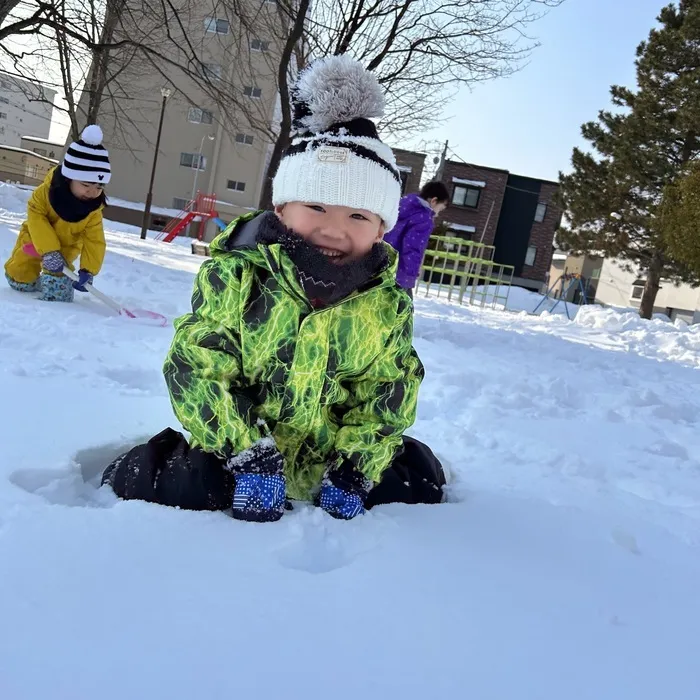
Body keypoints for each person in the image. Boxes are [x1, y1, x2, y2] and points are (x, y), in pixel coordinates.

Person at [101, 55, 446, 522]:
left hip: (327, 459)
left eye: (358, 216)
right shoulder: (240, 275)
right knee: (183, 482)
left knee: (420, 478)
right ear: (282, 209)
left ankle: (353, 475)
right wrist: (248, 453)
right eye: (317, 207)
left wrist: (354, 469)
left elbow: (388, 391)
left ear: (382, 228)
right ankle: (136, 470)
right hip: (239, 455)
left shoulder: (384, 305)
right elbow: (197, 367)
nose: (334, 228)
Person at [4, 124, 110, 303]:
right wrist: (48, 250)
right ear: (69, 178)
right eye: (86, 185)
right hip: (35, 238)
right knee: (20, 278)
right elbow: (36, 217)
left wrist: (88, 270)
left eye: (99, 187)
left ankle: (53, 302)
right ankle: (28, 279)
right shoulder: (46, 193)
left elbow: (95, 240)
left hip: (67, 246)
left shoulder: (93, 209)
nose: (93, 192)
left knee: (59, 293)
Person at [383, 181, 450, 297]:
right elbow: (412, 248)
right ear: (433, 201)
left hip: (381, 263)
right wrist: (409, 277)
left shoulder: (401, 205)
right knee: (404, 310)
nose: (438, 214)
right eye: (440, 208)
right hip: (400, 271)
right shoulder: (423, 218)